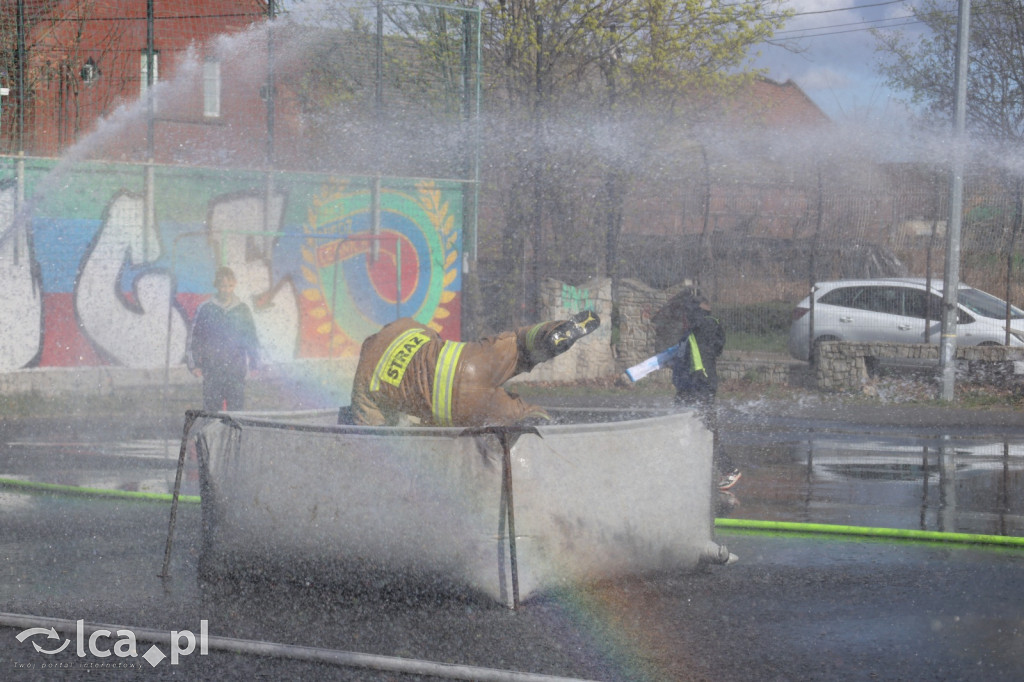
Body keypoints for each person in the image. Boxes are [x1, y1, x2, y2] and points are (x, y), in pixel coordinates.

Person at [349, 310, 600, 427]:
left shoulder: (362, 385)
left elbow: (374, 435)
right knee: (518, 345)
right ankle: (550, 334)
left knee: (519, 414)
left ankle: (545, 424)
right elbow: (434, 337)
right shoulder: (400, 327)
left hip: (450, 405)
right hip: (466, 359)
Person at [669, 292, 741, 490]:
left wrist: (695, 312)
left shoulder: (705, 324)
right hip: (688, 387)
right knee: (679, 426)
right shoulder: (692, 331)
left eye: (685, 311)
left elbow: (709, 348)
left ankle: (730, 470)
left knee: (707, 429)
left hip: (701, 385)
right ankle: (684, 468)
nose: (682, 316)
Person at [187, 266, 261, 412]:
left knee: (236, 413)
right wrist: (194, 365)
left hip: (236, 370)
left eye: (230, 286)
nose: (226, 290)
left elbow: (251, 338)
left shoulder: (242, 309)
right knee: (211, 412)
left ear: (234, 285)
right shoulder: (206, 309)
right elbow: (194, 339)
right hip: (212, 370)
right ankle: (212, 435)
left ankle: (234, 435)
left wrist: (254, 364)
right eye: (222, 286)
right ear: (217, 285)